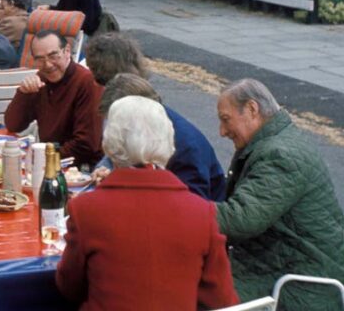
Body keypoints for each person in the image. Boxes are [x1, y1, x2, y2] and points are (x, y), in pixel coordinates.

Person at [56, 96, 239, 311]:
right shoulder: (203, 213)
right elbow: (220, 299)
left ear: (110, 144)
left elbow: (69, 287)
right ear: (168, 142)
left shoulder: (86, 209)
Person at [215, 79, 344, 309]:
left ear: (252, 109)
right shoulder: (276, 141)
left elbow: (242, 218)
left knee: (202, 294)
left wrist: (187, 212)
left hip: (306, 287)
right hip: (293, 263)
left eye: (226, 119)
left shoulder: (280, 155)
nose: (222, 131)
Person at [94, 73, 226, 201]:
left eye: (116, 122)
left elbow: (192, 204)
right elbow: (118, 156)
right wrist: (106, 170)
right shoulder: (144, 126)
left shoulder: (186, 146)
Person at [4, 30, 102, 166]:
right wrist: (23, 93)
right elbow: (13, 125)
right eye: (40, 59)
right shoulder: (41, 79)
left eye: (53, 56)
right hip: (49, 159)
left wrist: (43, 159)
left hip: (80, 168)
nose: (48, 65)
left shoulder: (87, 82)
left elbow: (86, 144)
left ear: (67, 51)